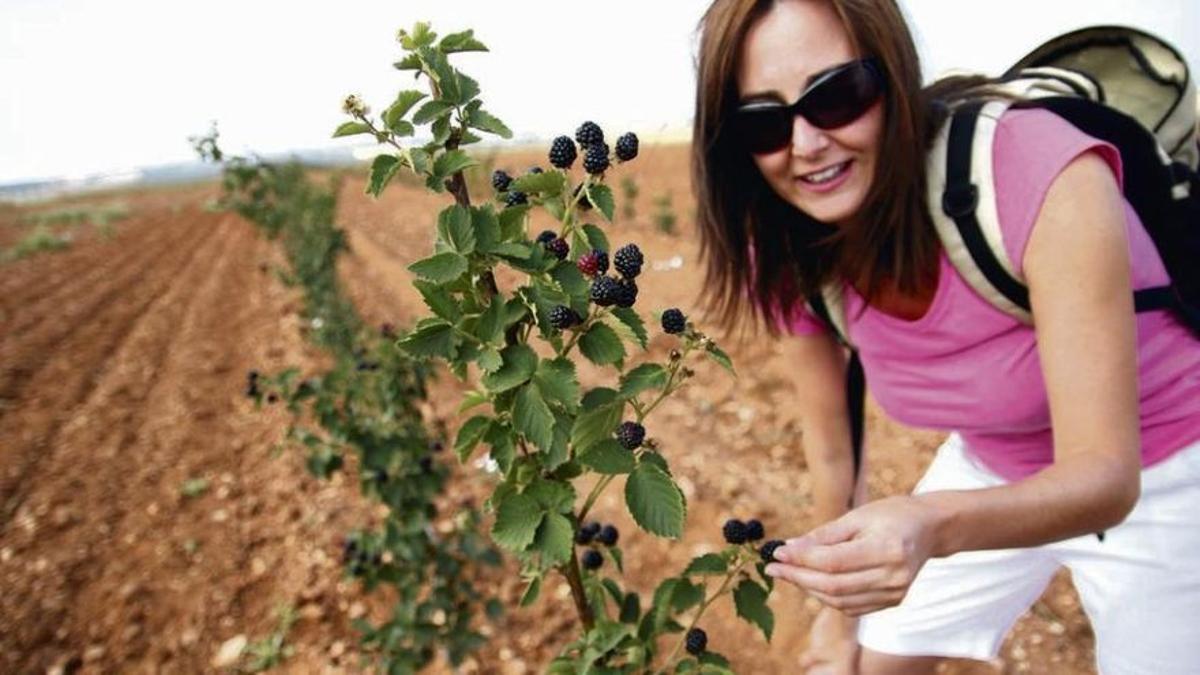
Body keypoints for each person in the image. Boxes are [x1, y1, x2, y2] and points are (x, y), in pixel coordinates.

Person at [691, 1, 1200, 673]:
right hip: (993, 462)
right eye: (763, 120)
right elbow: (833, 453)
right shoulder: (787, 245)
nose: (806, 142)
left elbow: (1106, 475)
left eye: (838, 95)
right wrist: (840, 617)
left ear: (896, 80)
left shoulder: (1038, 170)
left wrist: (934, 524)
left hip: (1167, 462)